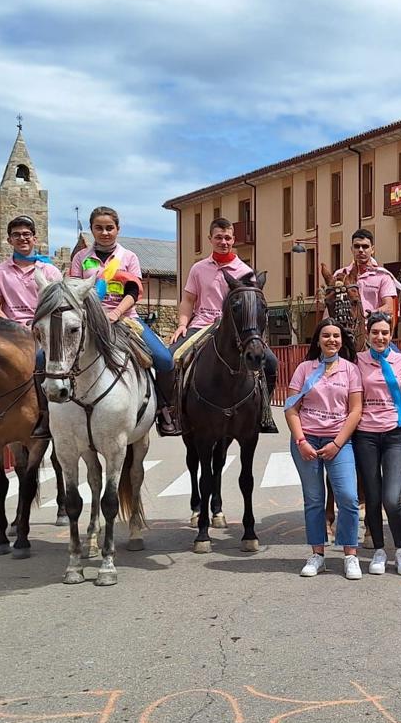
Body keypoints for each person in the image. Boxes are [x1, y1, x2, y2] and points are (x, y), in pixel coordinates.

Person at [69, 207, 180, 435]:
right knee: (47, 358)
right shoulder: (81, 258)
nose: (105, 232)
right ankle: (50, 413)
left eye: (109, 228)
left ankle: (165, 409)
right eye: (99, 228)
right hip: (89, 321)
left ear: (118, 229)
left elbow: (133, 291)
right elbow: (74, 291)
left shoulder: (128, 257)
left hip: (125, 319)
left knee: (164, 359)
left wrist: (115, 314)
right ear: (92, 229)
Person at [171, 217, 278, 432]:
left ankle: (263, 411)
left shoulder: (245, 271)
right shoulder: (198, 268)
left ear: (233, 240)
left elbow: (253, 306)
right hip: (201, 324)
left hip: (236, 332)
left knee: (272, 362)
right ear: (210, 239)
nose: (223, 242)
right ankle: (174, 412)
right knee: (172, 357)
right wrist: (182, 324)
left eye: (228, 238)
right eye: (218, 237)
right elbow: (189, 300)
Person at [0, 215, 62, 442]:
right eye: (17, 235)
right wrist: (14, 325)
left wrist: (36, 324)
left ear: (35, 238)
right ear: (9, 240)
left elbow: (58, 305)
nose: (22, 239)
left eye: (26, 235)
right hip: (10, 330)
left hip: (42, 330)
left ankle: (47, 417)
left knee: (45, 365)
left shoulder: (49, 271)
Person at [285, 319, 364, 579]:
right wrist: (301, 441)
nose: (332, 340)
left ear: (342, 341)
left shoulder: (351, 370)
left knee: (349, 497)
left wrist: (337, 443)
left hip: (338, 442)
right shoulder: (305, 369)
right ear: (318, 339)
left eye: (336, 336)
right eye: (326, 335)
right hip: (307, 441)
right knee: (315, 499)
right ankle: (317, 554)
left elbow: (355, 410)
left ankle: (350, 554)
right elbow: (291, 409)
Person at [353, 312, 401, 576]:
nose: (380, 337)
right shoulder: (356, 361)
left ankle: (400, 549)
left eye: (385, 333)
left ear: (391, 335)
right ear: (367, 334)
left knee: (392, 498)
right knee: (373, 497)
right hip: (365, 434)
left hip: (395, 434)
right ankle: (379, 549)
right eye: (375, 332)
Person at [332, 228, 399, 328]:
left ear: (372, 250)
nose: (360, 250)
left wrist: (367, 315)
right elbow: (330, 306)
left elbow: (389, 307)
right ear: (352, 249)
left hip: (372, 332)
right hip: (344, 331)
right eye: (357, 246)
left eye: (365, 247)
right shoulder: (340, 274)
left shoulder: (383, 276)